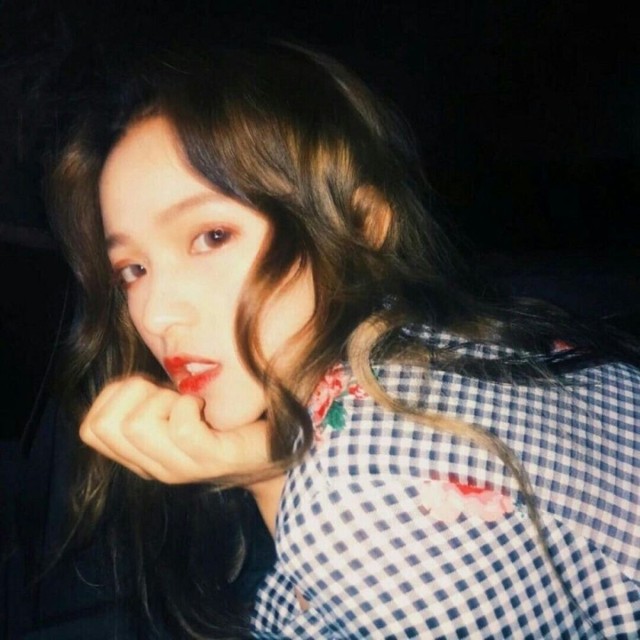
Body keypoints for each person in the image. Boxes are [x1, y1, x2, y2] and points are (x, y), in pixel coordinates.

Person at [48, 42, 639, 639]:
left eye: (212, 236)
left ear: (361, 227)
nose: (156, 314)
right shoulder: (426, 343)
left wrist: (278, 489)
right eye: (132, 270)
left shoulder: (361, 513)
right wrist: (269, 465)